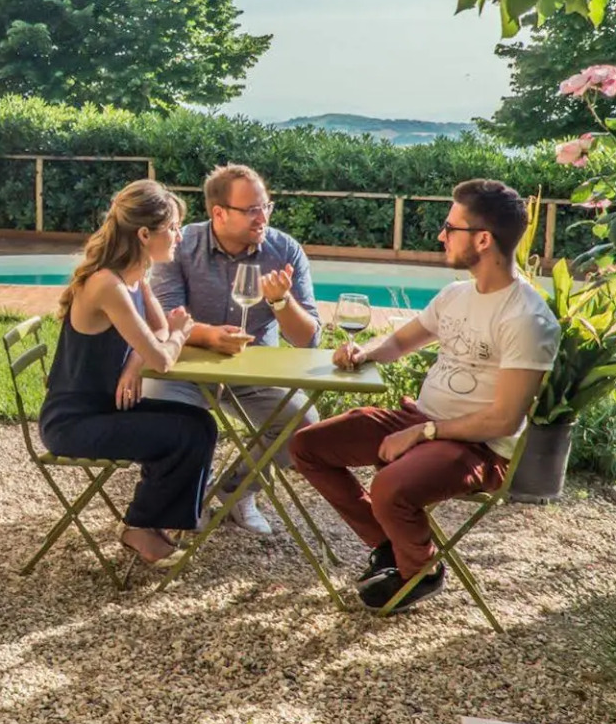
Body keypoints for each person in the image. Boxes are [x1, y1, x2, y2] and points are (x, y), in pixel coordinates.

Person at [291, 179, 559, 611]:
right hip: (424, 421)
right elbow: (398, 344)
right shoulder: (455, 295)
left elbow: (504, 420)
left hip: (477, 447)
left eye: (450, 227)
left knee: (390, 486)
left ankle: (421, 569)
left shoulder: (527, 318)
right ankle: (390, 545)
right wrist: (363, 352)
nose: (440, 235)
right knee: (308, 446)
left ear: (483, 239)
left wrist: (423, 434)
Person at [39, 180, 218, 566]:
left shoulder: (136, 277)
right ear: (143, 234)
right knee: (183, 433)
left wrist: (136, 363)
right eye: (171, 227)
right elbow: (165, 354)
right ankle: (140, 527)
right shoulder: (108, 284)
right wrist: (179, 334)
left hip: (107, 408)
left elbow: (156, 337)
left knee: (201, 423)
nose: (178, 235)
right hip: (74, 422)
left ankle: (154, 523)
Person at [145, 164, 322, 536]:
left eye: (266, 207)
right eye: (252, 210)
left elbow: (308, 340)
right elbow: (163, 318)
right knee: (168, 419)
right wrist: (208, 336)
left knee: (304, 428)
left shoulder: (284, 250)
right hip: (186, 369)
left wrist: (281, 302)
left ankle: (232, 491)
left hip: (254, 374)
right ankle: (180, 498)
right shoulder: (182, 244)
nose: (263, 218)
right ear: (219, 213)